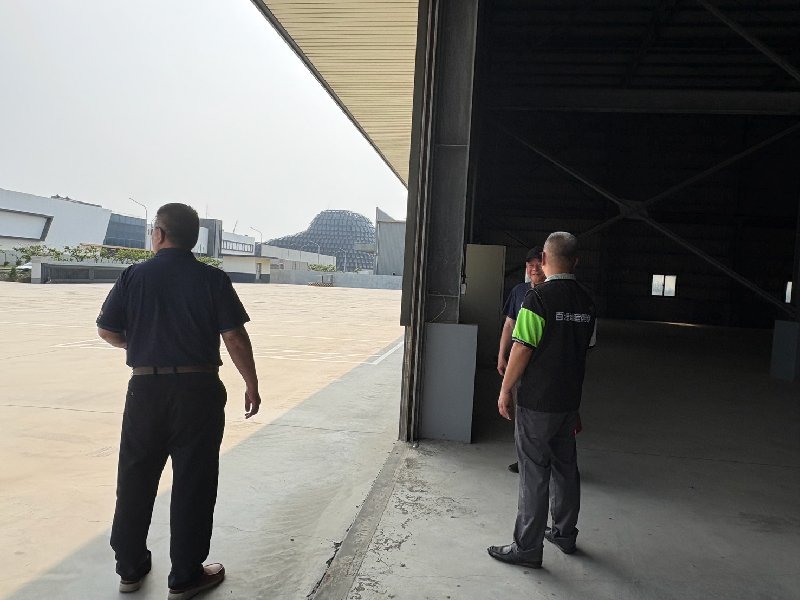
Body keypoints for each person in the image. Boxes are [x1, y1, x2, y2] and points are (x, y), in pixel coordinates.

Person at [96, 203, 261, 599]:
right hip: (198, 390)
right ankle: (185, 576)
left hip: (145, 391)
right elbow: (234, 336)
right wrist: (251, 383)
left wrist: (139, 344)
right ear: (193, 238)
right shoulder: (211, 278)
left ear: (159, 233)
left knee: (135, 479)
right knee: (194, 482)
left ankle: (130, 569)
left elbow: (107, 330)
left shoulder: (134, 275)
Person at [488, 231, 596, 569]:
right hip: (568, 402)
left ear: (545, 260)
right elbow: (583, 350)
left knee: (534, 473)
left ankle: (527, 548)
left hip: (537, 402)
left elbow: (522, 348)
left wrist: (505, 389)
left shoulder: (537, 299)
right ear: (576, 261)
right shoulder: (587, 301)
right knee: (565, 468)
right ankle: (564, 533)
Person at [498, 246, 546, 474]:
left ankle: (542, 458)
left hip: (545, 364)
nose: (534, 269)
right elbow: (509, 324)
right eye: (530, 265)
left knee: (543, 414)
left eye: (538, 265)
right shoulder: (519, 291)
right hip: (521, 363)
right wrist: (502, 354)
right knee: (522, 413)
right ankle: (524, 458)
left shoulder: (551, 293)